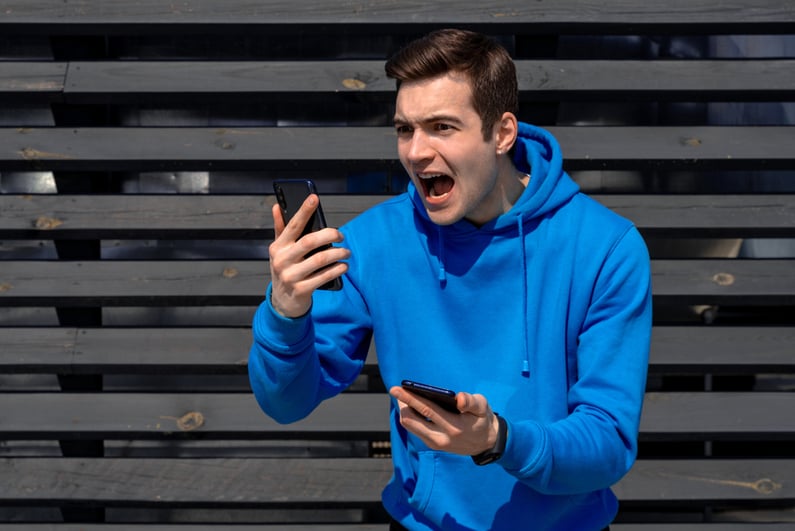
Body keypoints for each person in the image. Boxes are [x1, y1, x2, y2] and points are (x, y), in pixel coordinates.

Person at [249, 28, 652, 530]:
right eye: (404, 129)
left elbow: (608, 443)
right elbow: (285, 403)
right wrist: (286, 312)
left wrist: (499, 440)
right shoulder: (373, 243)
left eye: (441, 127)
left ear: (502, 133)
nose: (416, 152)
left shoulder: (605, 248)